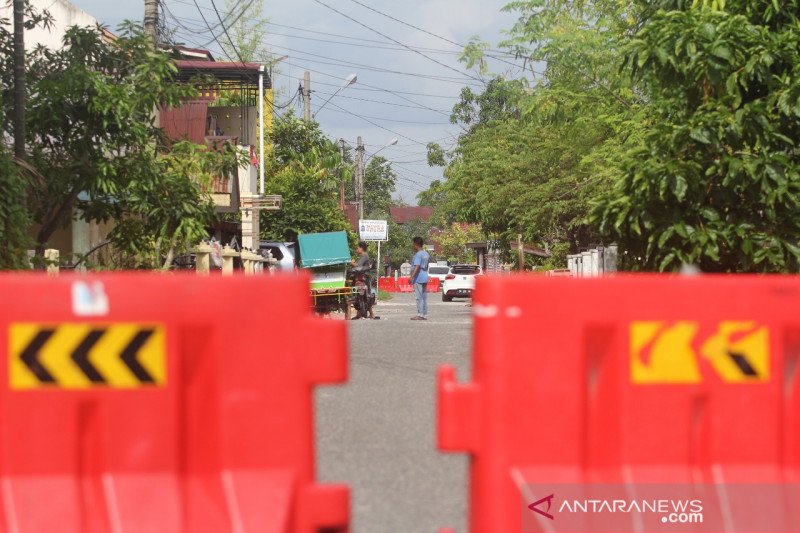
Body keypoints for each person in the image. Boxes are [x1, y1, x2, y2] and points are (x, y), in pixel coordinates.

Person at [351, 241, 376, 319]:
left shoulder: (364, 256)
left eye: (358, 248)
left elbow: (358, 266)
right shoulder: (364, 255)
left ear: (361, 248)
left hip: (364, 277)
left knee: (366, 295)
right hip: (363, 277)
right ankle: (361, 314)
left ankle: (370, 313)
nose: (357, 249)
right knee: (361, 295)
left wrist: (351, 263)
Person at [410, 236, 430, 321]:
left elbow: (417, 266)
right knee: (424, 297)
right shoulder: (426, 254)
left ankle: (420, 314)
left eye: (413, 244)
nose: (413, 246)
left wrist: (411, 277)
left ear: (416, 244)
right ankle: (424, 314)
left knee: (419, 297)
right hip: (425, 276)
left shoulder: (418, 255)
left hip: (418, 277)